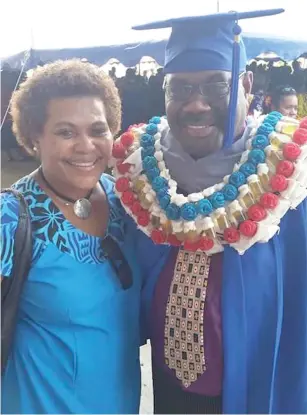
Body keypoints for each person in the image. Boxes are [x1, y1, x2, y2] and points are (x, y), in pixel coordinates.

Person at [111, 9, 307, 414]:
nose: (195, 105)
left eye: (215, 86)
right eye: (179, 88)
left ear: (246, 85)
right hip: (167, 387)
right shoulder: (140, 172)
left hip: (262, 384)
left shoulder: (290, 177)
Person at [1, 59, 166, 414]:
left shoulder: (128, 201)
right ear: (34, 138)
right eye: (65, 132)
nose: (85, 146)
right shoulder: (9, 219)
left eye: (97, 129)